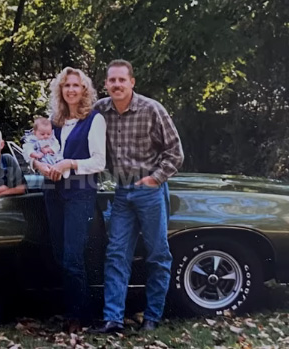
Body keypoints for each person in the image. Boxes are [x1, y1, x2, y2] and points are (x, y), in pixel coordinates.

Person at [93, 59, 184, 334]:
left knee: (157, 254)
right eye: (112, 80)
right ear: (106, 84)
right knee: (116, 254)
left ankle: (153, 317)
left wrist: (155, 178)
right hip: (121, 191)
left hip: (150, 191)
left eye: (122, 79)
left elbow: (175, 152)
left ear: (132, 82)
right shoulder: (100, 111)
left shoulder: (151, 109)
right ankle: (113, 320)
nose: (117, 85)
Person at [31, 67, 106, 332]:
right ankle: (73, 311)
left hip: (80, 193)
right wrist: (41, 167)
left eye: (76, 85)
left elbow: (99, 161)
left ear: (84, 90)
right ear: (60, 91)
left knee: (74, 256)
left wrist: (68, 164)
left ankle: (80, 316)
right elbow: (35, 151)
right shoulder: (54, 120)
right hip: (53, 192)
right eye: (66, 86)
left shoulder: (93, 120)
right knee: (60, 253)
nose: (71, 90)